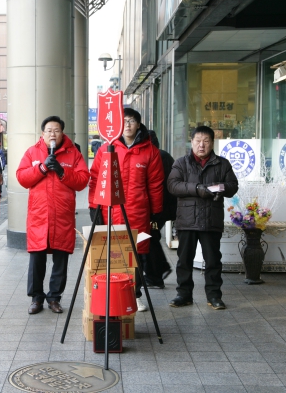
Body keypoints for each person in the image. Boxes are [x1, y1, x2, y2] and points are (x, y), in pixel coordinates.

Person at [88, 108, 164, 312]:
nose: (128, 124)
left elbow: (155, 184)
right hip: (109, 211)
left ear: (139, 124)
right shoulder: (106, 149)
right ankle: (112, 291)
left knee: (137, 255)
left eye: (132, 121)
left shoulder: (150, 151)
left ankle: (135, 294)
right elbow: (95, 179)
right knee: (113, 254)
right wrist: (94, 206)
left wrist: (156, 212)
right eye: (124, 121)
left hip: (139, 212)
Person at [17, 115, 89, 315]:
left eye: (56, 130)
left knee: (61, 259)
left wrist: (62, 172)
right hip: (39, 215)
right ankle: (36, 298)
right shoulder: (32, 152)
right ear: (43, 133)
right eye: (49, 130)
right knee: (37, 259)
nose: (52, 134)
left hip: (62, 215)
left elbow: (83, 180)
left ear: (62, 133)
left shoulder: (73, 153)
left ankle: (55, 298)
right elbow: (22, 177)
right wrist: (41, 168)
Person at [167, 125, 239, 310]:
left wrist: (219, 187)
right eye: (198, 141)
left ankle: (214, 296)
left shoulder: (222, 164)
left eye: (206, 141)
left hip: (210, 221)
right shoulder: (181, 163)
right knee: (184, 261)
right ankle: (183, 294)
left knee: (213, 260)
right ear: (191, 142)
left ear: (212, 143)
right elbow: (173, 186)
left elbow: (233, 186)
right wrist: (197, 188)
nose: (201, 145)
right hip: (187, 221)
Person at [144, 129, 176, 289]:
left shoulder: (156, 156)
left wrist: (154, 212)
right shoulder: (163, 155)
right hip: (163, 207)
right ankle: (157, 272)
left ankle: (156, 275)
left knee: (149, 238)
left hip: (158, 209)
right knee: (151, 238)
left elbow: (157, 187)